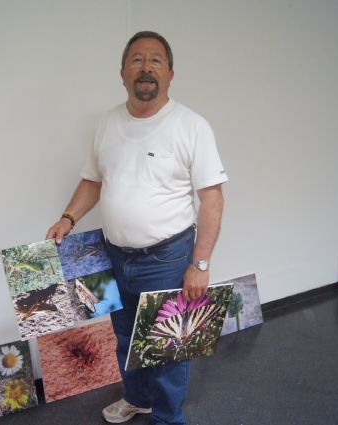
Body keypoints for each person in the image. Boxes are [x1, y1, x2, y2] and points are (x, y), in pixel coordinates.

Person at [46, 31, 228, 425]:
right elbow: (92, 180)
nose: (146, 67)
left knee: (167, 349)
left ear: (171, 73)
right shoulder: (106, 123)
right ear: (123, 73)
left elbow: (212, 199)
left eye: (156, 60)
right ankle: (137, 399)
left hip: (167, 256)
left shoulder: (191, 126)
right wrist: (68, 217)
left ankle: (167, 418)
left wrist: (200, 265)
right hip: (112, 255)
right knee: (127, 337)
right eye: (137, 60)